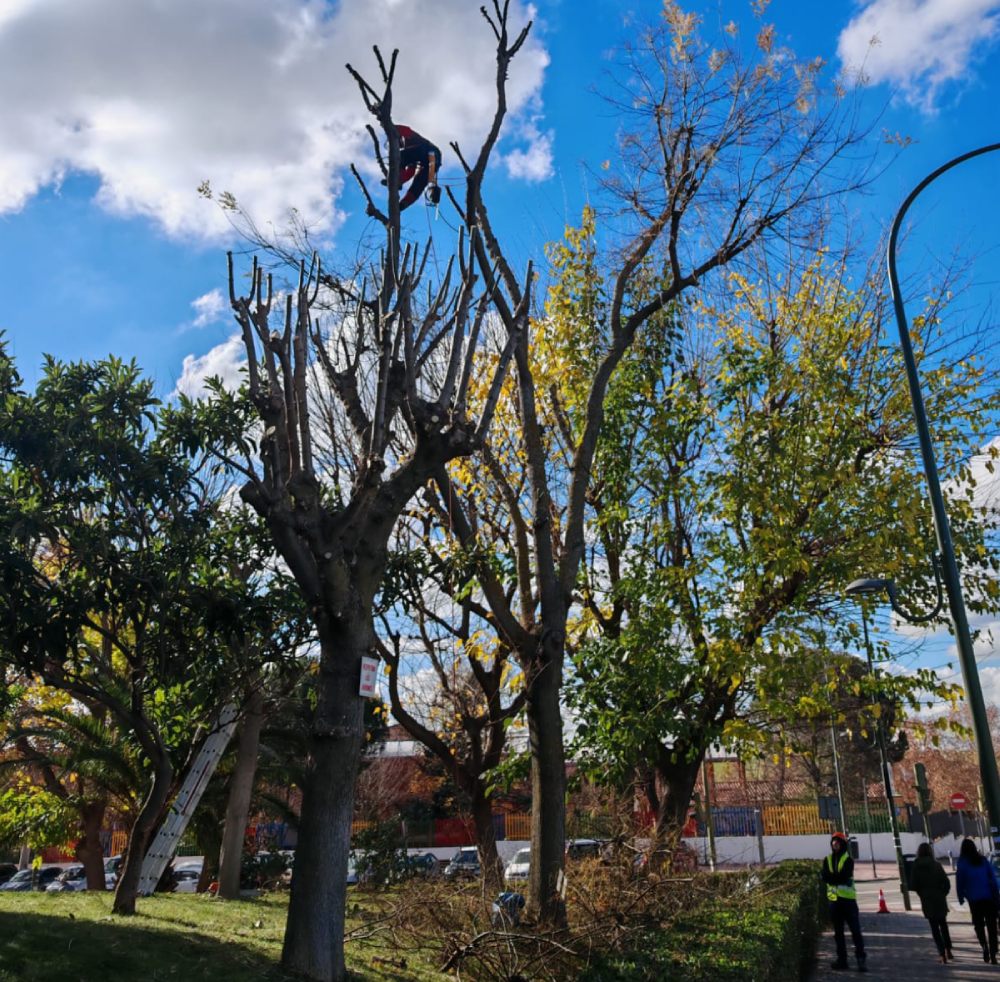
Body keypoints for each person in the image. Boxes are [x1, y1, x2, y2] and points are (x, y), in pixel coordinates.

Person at [821, 831, 867, 973]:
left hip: (848, 901)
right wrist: (834, 877)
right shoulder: (827, 859)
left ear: (843, 844)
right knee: (838, 933)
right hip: (834, 902)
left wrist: (831, 877)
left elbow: (841, 876)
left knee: (856, 932)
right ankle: (842, 960)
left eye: (838, 842)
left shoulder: (848, 859)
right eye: (833, 842)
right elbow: (825, 876)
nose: (835, 844)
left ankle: (861, 959)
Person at [956, 837, 999, 963]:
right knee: (992, 927)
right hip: (988, 898)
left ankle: (984, 945)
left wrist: (961, 896)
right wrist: (996, 894)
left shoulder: (962, 863)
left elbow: (960, 881)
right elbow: (992, 879)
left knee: (978, 925)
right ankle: (993, 952)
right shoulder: (983, 860)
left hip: (974, 900)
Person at [908, 842, 954, 964]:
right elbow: (946, 882)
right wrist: (943, 893)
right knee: (943, 925)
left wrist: (922, 894)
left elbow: (913, 885)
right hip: (939, 899)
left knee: (934, 928)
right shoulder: (937, 865)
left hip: (927, 900)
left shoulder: (916, 866)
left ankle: (941, 954)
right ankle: (948, 949)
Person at [393, 125, 441, 210]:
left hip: (429, 152)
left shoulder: (408, 138)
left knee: (400, 156)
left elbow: (405, 130)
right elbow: (410, 172)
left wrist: (390, 126)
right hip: (432, 159)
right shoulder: (411, 154)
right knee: (419, 183)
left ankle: (399, 184)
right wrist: (400, 181)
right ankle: (404, 203)